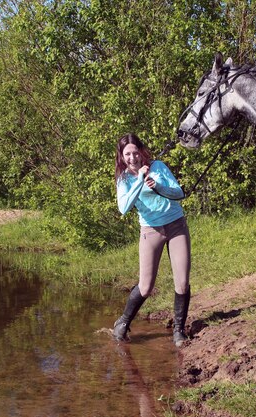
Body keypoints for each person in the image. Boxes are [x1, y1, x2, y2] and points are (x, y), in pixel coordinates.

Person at [112, 133, 191, 347]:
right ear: (121, 156)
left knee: (182, 282)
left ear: (141, 151)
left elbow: (179, 193)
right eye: (127, 154)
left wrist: (158, 186)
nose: (132, 158)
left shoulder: (159, 166)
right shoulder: (124, 178)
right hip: (150, 231)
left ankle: (178, 331)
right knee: (146, 287)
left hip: (176, 226)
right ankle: (123, 322)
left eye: (135, 152)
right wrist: (139, 181)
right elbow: (123, 207)